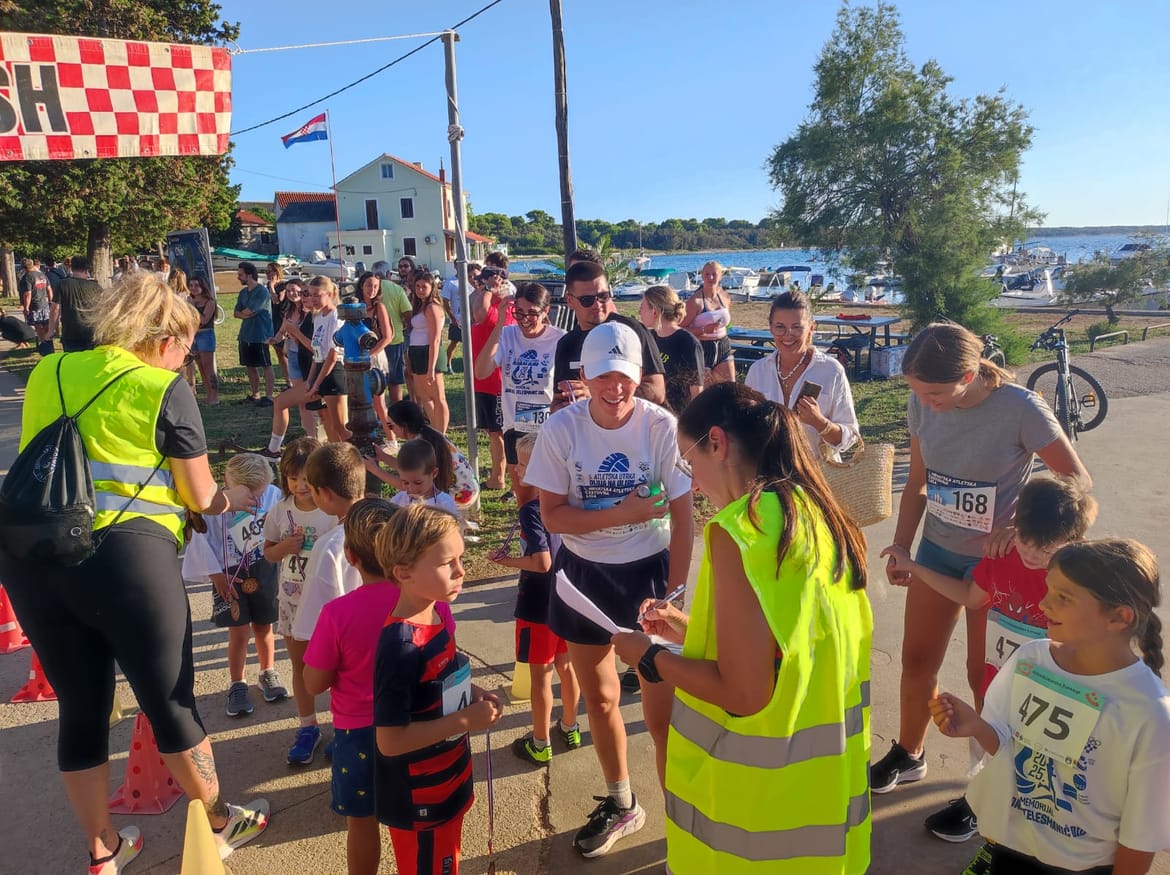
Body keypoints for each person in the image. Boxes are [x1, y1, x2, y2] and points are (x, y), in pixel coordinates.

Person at [0, 273, 269, 872]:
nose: (184, 361)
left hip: (33, 559)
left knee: (80, 704)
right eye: (185, 348)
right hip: (126, 561)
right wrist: (231, 500)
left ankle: (103, 848)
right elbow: (199, 495)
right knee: (169, 701)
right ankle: (221, 821)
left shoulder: (50, 369)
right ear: (165, 338)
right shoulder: (163, 388)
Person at [611, 381, 872, 873]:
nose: (694, 483)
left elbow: (744, 693)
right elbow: (785, 642)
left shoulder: (740, 531)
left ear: (717, 443)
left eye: (689, 464)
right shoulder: (816, 512)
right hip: (824, 800)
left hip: (757, 819)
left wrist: (648, 656)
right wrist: (688, 628)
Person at [873, 322, 1091, 796]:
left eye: (935, 393)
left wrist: (1020, 529)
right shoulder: (921, 401)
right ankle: (909, 753)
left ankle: (989, 785)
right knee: (916, 661)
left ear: (969, 375)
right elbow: (917, 483)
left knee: (984, 676)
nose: (925, 402)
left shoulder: (1020, 408)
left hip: (999, 565)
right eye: (918, 392)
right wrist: (903, 547)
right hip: (937, 551)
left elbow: (1077, 482)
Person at [525, 321, 694, 858]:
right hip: (584, 578)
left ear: (639, 375)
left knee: (662, 715)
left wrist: (674, 596)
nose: (614, 388)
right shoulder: (562, 429)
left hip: (651, 576)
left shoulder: (660, 426)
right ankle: (622, 802)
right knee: (599, 699)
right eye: (603, 376)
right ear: (585, 374)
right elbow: (553, 516)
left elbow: (685, 520)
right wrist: (621, 514)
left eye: (624, 376)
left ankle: (681, 824)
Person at [929, 539, 1170, 875]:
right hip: (1011, 845)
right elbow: (1012, 750)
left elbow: (1141, 835)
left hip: (1083, 867)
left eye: (1064, 597)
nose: (1043, 604)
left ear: (1118, 617)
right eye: (1048, 590)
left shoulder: (1150, 714)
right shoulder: (1031, 659)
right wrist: (977, 727)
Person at [883, 476, 1098, 845]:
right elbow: (972, 596)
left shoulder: (1079, 578)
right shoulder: (1003, 557)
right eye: (1026, 540)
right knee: (992, 747)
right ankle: (983, 807)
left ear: (1073, 542)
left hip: (1052, 696)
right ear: (1015, 526)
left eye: (1046, 549)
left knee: (1041, 776)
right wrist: (914, 567)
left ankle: (1007, 826)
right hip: (1000, 683)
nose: (1032, 554)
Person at [303, 499, 456, 875]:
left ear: (351, 556)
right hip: (418, 730)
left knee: (362, 822)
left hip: (358, 737)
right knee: (418, 824)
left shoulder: (337, 614)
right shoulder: (432, 602)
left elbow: (314, 683)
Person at [374, 504, 503, 875]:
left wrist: (472, 692)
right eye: (448, 563)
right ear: (404, 572)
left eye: (461, 559)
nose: (461, 571)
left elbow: (437, 680)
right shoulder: (400, 647)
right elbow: (390, 741)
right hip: (420, 798)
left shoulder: (434, 613)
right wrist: (466, 720)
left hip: (447, 780)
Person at [489, 432, 581, 765]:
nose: (516, 470)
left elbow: (541, 562)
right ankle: (570, 726)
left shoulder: (532, 510)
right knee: (567, 666)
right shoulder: (570, 501)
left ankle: (540, 743)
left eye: (524, 465)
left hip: (537, 604)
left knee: (541, 676)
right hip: (569, 600)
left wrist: (506, 562)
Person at [182, 454, 288, 716]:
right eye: (248, 493)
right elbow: (202, 540)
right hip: (228, 574)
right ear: (227, 482)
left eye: (258, 492)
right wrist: (216, 576)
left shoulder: (273, 495)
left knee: (264, 625)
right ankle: (237, 683)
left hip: (263, 568)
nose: (254, 498)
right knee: (238, 631)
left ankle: (267, 671)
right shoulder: (213, 503)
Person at [262, 437, 338, 765]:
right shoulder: (280, 511)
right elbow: (268, 553)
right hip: (292, 601)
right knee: (300, 666)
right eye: (293, 478)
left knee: (338, 667)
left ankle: (344, 726)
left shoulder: (331, 511)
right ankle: (308, 727)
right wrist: (284, 548)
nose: (300, 485)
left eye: (306, 478)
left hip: (329, 604)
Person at [474, 281, 565, 500]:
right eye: (519, 312)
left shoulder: (560, 338)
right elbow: (481, 371)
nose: (524, 319)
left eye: (532, 313)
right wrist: (500, 323)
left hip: (548, 428)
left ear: (545, 311)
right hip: (515, 426)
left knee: (549, 498)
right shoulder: (507, 334)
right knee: (524, 499)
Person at [744, 291, 860, 458]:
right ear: (770, 327)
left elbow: (850, 439)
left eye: (797, 327)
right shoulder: (758, 371)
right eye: (780, 327)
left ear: (811, 328)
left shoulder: (831, 370)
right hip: (770, 471)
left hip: (817, 471)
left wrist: (819, 422)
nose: (788, 335)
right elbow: (745, 428)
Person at [552, 260, 665, 412]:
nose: (597, 304)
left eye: (603, 296)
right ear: (570, 301)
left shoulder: (631, 331)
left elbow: (657, 391)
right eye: (587, 300)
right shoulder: (567, 343)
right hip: (584, 425)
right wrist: (563, 408)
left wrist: (595, 394)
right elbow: (557, 403)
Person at [290, 442, 366, 646]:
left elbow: (310, 627)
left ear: (324, 493)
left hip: (351, 646)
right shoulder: (391, 523)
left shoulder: (329, 545)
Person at [367, 399, 480, 517]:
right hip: (469, 488)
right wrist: (384, 457)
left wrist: (374, 470)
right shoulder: (428, 433)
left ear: (404, 426)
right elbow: (409, 468)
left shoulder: (419, 446)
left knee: (411, 500)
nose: (391, 430)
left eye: (391, 426)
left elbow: (408, 484)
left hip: (459, 495)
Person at [468, 262, 515, 490]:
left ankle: (499, 477)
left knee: (498, 432)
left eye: (483, 281)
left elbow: (479, 312)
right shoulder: (490, 304)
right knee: (493, 431)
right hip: (482, 380)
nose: (479, 286)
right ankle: (498, 473)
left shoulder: (500, 310)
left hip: (495, 381)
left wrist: (489, 288)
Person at [638, 284, 704, 414]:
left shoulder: (687, 342)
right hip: (651, 413)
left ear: (654, 311)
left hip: (678, 415)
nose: (639, 312)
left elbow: (696, 390)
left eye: (642, 307)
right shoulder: (648, 338)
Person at [407, 270, 450, 433]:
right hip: (417, 353)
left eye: (424, 287)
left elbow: (435, 339)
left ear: (432, 287)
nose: (420, 290)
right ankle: (435, 430)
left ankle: (442, 434)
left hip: (429, 353)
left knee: (438, 397)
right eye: (417, 286)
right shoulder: (420, 306)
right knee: (423, 396)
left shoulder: (432, 307)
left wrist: (431, 367)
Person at [354, 271, 395, 440]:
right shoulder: (355, 307)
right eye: (369, 285)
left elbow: (387, 337)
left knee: (379, 402)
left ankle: (391, 439)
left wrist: (370, 354)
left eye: (376, 286)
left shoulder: (379, 308)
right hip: (356, 357)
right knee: (361, 400)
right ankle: (369, 435)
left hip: (375, 356)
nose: (372, 289)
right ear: (361, 286)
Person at [680, 261, 734, 383]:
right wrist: (703, 330)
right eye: (707, 274)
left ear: (721, 276)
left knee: (731, 389)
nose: (710, 277)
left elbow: (727, 323)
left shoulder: (725, 297)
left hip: (723, 346)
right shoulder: (695, 301)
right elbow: (680, 329)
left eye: (714, 274)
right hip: (703, 348)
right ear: (702, 276)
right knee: (705, 392)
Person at [233, 261, 275, 406]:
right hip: (246, 334)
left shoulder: (262, 292)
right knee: (249, 365)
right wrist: (244, 314)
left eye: (241, 274)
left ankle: (269, 396)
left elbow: (250, 311)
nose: (238, 277)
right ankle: (255, 394)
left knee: (265, 364)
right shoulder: (243, 293)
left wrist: (244, 314)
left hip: (261, 334)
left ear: (250, 275)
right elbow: (236, 312)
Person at [372, 260, 414, 405]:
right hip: (395, 339)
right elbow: (408, 312)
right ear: (389, 273)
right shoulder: (396, 289)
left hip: (373, 342)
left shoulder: (369, 288)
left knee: (375, 379)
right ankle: (397, 410)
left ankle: (379, 412)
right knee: (395, 381)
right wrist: (405, 324)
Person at [389, 439, 461, 516]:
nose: (411, 488)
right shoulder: (398, 501)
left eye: (418, 483)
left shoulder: (445, 503)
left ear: (434, 473)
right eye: (405, 482)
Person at [49, 255, 102, 352]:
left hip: (70, 332)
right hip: (91, 331)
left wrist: (51, 330)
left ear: (71, 268)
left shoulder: (62, 284)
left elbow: (55, 309)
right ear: (86, 269)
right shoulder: (96, 287)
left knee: (72, 359)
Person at [186, 274, 220, 405]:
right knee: (200, 366)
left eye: (196, 285)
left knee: (208, 367)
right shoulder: (190, 300)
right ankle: (208, 394)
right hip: (194, 335)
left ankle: (214, 396)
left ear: (202, 286)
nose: (193, 288)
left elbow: (204, 320)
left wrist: (193, 307)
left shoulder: (209, 302)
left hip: (205, 335)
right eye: (191, 285)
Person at [441, 262, 476, 371]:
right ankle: (448, 365)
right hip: (457, 318)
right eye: (458, 265)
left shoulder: (471, 280)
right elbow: (445, 302)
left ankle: (471, 365)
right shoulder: (450, 282)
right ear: (455, 267)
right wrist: (452, 318)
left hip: (471, 318)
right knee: (454, 343)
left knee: (472, 343)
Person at [19, 256, 53, 352]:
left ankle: (44, 345)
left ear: (24, 267)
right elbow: (49, 289)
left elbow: (28, 293)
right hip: (44, 304)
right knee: (46, 325)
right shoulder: (42, 275)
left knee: (38, 326)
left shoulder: (27, 277)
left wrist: (26, 307)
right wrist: (50, 301)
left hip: (34, 305)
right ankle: (49, 343)